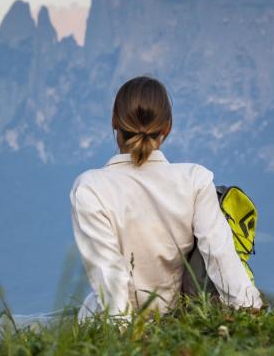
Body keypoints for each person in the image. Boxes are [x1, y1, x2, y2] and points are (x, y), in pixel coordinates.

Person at [70, 76, 263, 322]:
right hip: (173, 317)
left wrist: (123, 334)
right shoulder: (196, 179)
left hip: (104, 321)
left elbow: (110, 277)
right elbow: (220, 256)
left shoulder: (89, 187)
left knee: (40, 322)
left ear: (114, 121)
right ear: (167, 127)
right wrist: (251, 309)